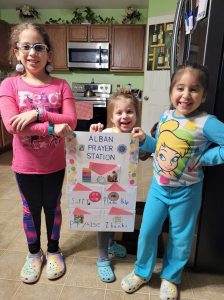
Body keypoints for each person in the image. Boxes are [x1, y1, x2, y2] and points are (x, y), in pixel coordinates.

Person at [121, 63, 224, 300]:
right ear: (171, 92)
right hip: (159, 188)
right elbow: (158, 147)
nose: (186, 95)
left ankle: (171, 277)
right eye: (180, 88)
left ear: (204, 95)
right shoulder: (166, 115)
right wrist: (145, 139)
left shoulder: (207, 122)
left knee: (180, 237)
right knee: (147, 231)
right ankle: (142, 272)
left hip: (187, 192)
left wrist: (206, 157)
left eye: (194, 89)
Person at [0, 23, 77, 284]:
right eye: (26, 47)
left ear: (49, 53)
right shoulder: (9, 85)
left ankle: (54, 250)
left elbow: (72, 121)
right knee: (30, 210)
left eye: (39, 47)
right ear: (17, 53)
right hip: (25, 166)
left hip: (55, 164)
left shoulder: (61, 85)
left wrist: (38, 113)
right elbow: (13, 125)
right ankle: (34, 254)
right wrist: (54, 127)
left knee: (52, 208)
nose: (32, 52)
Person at [90, 92, 140, 282]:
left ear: (136, 115)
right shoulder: (106, 134)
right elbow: (90, 153)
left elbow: (143, 155)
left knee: (116, 217)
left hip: (124, 187)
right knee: (104, 220)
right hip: (104, 187)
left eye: (129, 111)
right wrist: (94, 135)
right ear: (111, 117)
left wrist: (144, 141)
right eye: (119, 112)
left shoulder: (136, 135)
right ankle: (102, 258)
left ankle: (111, 244)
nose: (124, 116)